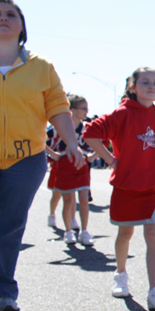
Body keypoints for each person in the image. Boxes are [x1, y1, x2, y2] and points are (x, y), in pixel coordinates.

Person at [0, 0, 85, 311]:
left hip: (25, 159)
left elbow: (58, 108)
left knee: (9, 225)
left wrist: (71, 143)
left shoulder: (41, 67)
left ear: (22, 26)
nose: (3, 18)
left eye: (11, 14)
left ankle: (3, 292)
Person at [84, 67, 155, 311]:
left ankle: (154, 290)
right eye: (145, 82)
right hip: (126, 184)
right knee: (125, 233)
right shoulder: (121, 114)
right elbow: (90, 132)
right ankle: (120, 274)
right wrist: (110, 159)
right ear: (133, 86)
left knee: (153, 234)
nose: (151, 86)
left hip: (154, 185)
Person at [52, 94, 98, 246]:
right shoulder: (60, 128)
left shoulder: (87, 128)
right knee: (68, 201)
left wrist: (93, 155)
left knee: (84, 200)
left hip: (82, 167)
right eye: (83, 108)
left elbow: (99, 143)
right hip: (65, 166)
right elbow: (42, 138)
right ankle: (68, 231)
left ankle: (84, 232)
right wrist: (53, 154)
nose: (86, 111)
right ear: (72, 110)